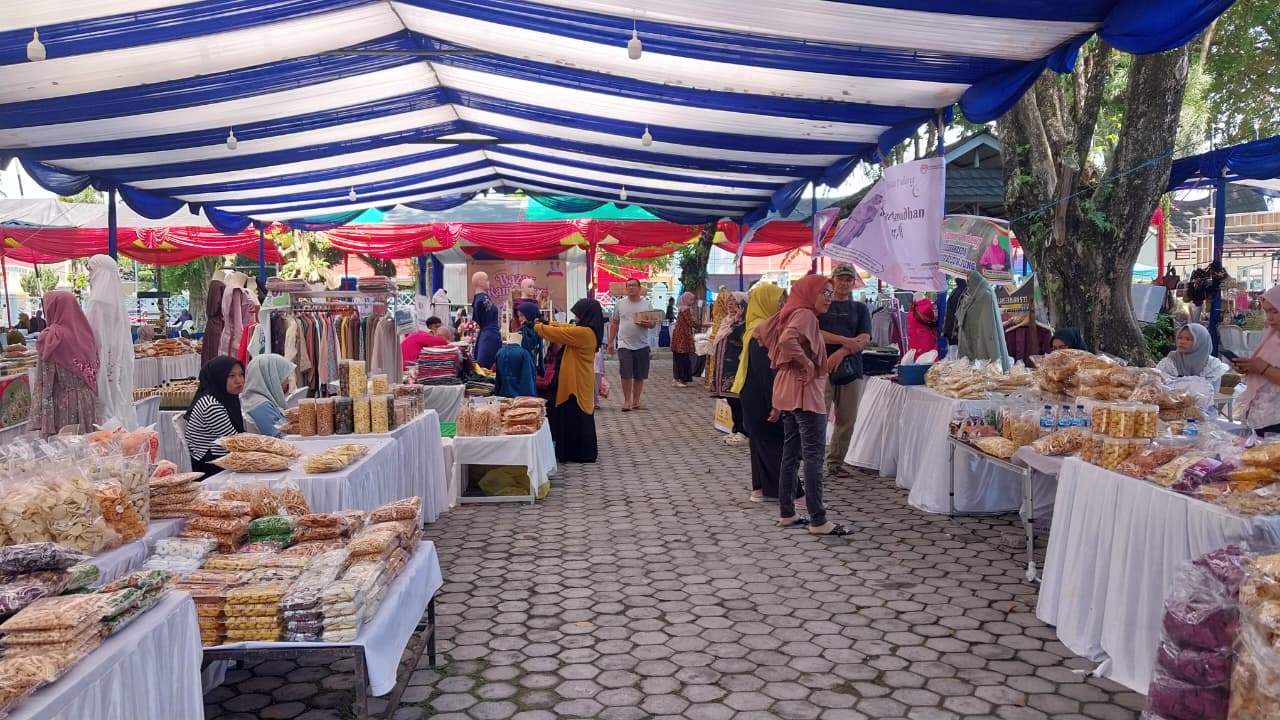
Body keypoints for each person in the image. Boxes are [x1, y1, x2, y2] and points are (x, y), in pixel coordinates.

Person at [760, 274, 851, 536]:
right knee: (812, 457)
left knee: (792, 453)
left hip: (789, 391)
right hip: (804, 392)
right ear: (810, 292)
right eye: (825, 293)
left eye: (831, 294)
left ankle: (787, 512)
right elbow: (788, 340)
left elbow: (770, 335)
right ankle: (818, 520)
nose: (830, 299)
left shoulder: (793, 312)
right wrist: (808, 363)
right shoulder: (805, 315)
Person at [733, 283, 791, 502]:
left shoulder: (753, 325)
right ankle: (793, 493)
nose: (783, 304)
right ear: (765, 302)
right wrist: (776, 401)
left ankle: (761, 489)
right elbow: (765, 370)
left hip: (752, 391)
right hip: (761, 393)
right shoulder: (762, 330)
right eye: (779, 300)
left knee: (759, 441)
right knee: (773, 441)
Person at [819, 265, 872, 479]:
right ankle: (810, 459)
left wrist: (841, 352)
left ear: (853, 283)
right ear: (832, 280)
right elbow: (815, 332)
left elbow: (864, 338)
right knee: (817, 416)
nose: (844, 283)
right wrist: (843, 341)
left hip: (851, 369)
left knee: (847, 418)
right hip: (822, 367)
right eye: (840, 279)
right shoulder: (823, 305)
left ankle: (835, 462)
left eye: (849, 280)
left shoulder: (860, 309)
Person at [535, 299, 603, 463]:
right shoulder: (586, 330)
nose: (576, 319)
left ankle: (580, 453)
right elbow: (567, 328)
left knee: (577, 416)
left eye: (578, 315)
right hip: (576, 380)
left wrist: (536, 327)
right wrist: (548, 322)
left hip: (577, 382)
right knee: (573, 416)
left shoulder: (585, 333)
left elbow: (560, 334)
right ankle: (575, 453)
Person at [31, 290, 99, 437]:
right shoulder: (86, 334)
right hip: (89, 401)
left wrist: (42, 418)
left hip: (65, 405)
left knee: (65, 452)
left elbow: (44, 382)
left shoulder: (52, 337)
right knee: (89, 449)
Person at [87, 254, 137, 429]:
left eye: (90, 271)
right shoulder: (118, 303)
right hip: (115, 363)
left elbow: (92, 339)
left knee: (106, 410)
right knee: (117, 404)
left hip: (103, 363)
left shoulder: (97, 302)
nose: (88, 277)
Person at [185, 356, 246, 478]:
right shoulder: (211, 405)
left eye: (241, 374)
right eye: (231, 376)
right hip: (211, 467)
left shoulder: (227, 397)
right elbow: (234, 442)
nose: (239, 381)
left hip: (225, 458)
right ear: (219, 377)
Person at [1235, 286, 1280, 435]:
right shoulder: (1272, 337)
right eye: (1267, 311)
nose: (1270, 317)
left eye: (1275, 311)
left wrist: (1263, 368)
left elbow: (1266, 367)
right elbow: (1263, 366)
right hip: (1261, 414)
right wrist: (1249, 367)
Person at [608, 278, 655, 411]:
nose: (631, 288)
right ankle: (627, 401)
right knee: (626, 373)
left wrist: (649, 323)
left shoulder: (647, 304)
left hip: (642, 344)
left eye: (634, 285)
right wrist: (611, 341)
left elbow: (653, 324)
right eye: (628, 286)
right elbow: (614, 323)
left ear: (640, 288)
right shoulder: (620, 304)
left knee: (640, 374)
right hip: (624, 344)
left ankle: (636, 401)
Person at [709, 292, 748, 444]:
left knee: (738, 400)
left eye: (735, 301)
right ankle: (736, 429)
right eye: (729, 300)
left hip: (735, 368)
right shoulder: (726, 320)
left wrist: (738, 322)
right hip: (724, 367)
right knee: (731, 400)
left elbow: (740, 338)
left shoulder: (744, 322)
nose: (730, 303)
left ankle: (743, 431)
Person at [1155, 323, 1230, 389]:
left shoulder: (1212, 366)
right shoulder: (1169, 362)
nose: (1182, 342)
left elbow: (1212, 393)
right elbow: (1158, 386)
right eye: (1179, 338)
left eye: (1188, 339)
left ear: (1201, 342)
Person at [241, 354, 296, 438]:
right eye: (285, 377)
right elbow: (280, 437)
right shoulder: (261, 406)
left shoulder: (253, 400)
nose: (287, 382)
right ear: (272, 378)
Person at [471, 272, 501, 368]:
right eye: (486, 280)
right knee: (487, 366)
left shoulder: (484, 298)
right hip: (489, 336)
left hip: (491, 335)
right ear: (480, 282)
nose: (489, 282)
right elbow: (478, 318)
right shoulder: (480, 300)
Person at [494, 332, 537, 398]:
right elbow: (528, 378)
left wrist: (496, 394)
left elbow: (498, 379)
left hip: (502, 395)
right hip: (519, 397)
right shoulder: (524, 353)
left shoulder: (499, 352)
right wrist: (531, 398)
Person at [671, 292, 697, 387]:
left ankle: (677, 378)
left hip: (679, 336)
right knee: (682, 358)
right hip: (682, 337)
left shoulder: (681, 309)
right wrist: (704, 325)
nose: (692, 302)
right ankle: (680, 379)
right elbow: (691, 323)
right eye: (691, 299)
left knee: (679, 357)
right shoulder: (685, 310)